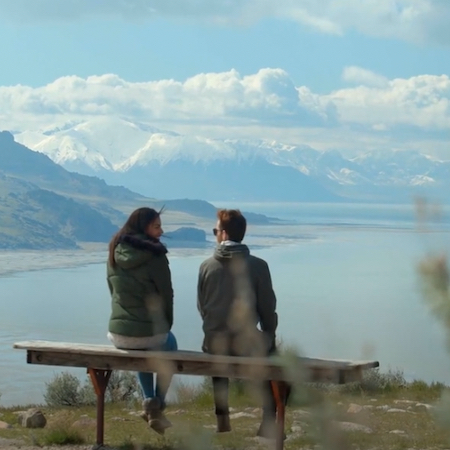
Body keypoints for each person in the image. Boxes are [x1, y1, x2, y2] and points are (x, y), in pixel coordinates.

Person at [197, 209, 279, 437]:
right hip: (246, 344)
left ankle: (222, 419)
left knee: (218, 344)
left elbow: (202, 307)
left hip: (213, 343)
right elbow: (267, 309)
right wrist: (270, 335)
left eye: (215, 231)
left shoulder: (206, 266)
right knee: (271, 355)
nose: (215, 234)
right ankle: (268, 420)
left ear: (223, 234)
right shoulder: (258, 266)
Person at [106, 207, 177, 435]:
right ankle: (159, 403)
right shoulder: (155, 255)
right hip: (148, 335)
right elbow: (167, 295)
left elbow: (112, 290)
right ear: (143, 227)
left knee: (143, 346)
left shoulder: (114, 250)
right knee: (169, 345)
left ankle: (149, 403)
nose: (161, 231)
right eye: (156, 226)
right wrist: (166, 325)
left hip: (118, 336)